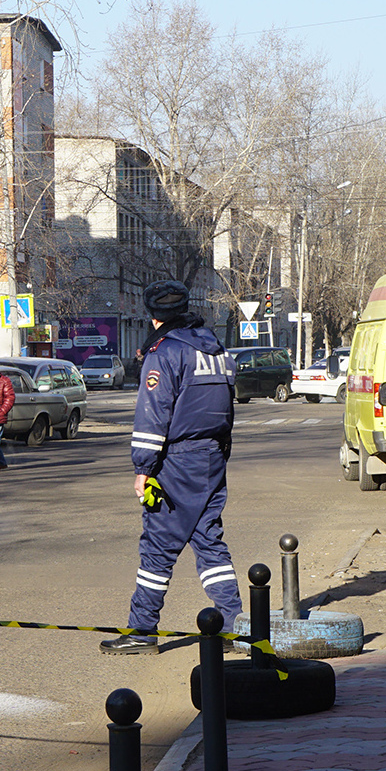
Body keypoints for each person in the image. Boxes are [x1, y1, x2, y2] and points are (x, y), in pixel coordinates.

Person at [101, 280, 246, 655]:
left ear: (154, 318)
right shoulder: (216, 349)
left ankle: (141, 630)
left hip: (176, 462)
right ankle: (234, 625)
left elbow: (153, 416)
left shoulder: (164, 354)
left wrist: (143, 468)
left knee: (158, 548)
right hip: (212, 458)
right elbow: (226, 409)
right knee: (209, 543)